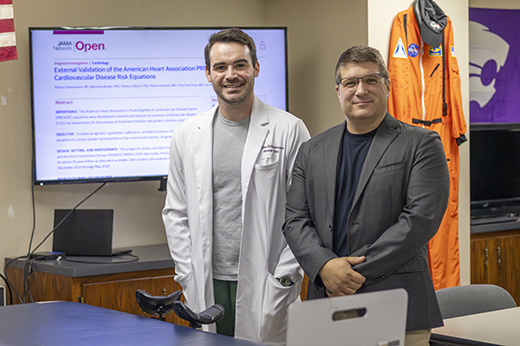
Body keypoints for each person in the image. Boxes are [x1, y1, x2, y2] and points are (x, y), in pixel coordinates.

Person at [283, 45, 449, 346]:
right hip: (328, 305)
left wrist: (346, 273)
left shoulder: (421, 144)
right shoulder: (312, 151)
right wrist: (324, 267)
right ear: (338, 91)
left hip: (398, 305)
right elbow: (295, 220)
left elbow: (420, 220)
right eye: (351, 82)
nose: (361, 90)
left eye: (371, 80)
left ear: (386, 85)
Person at [162, 28, 310, 346]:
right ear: (208, 74)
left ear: (255, 68)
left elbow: (304, 212)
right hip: (207, 280)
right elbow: (175, 212)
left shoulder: (289, 129)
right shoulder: (187, 134)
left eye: (240, 65)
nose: (231, 75)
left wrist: (285, 274)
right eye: (220, 67)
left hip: (268, 279)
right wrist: (188, 274)